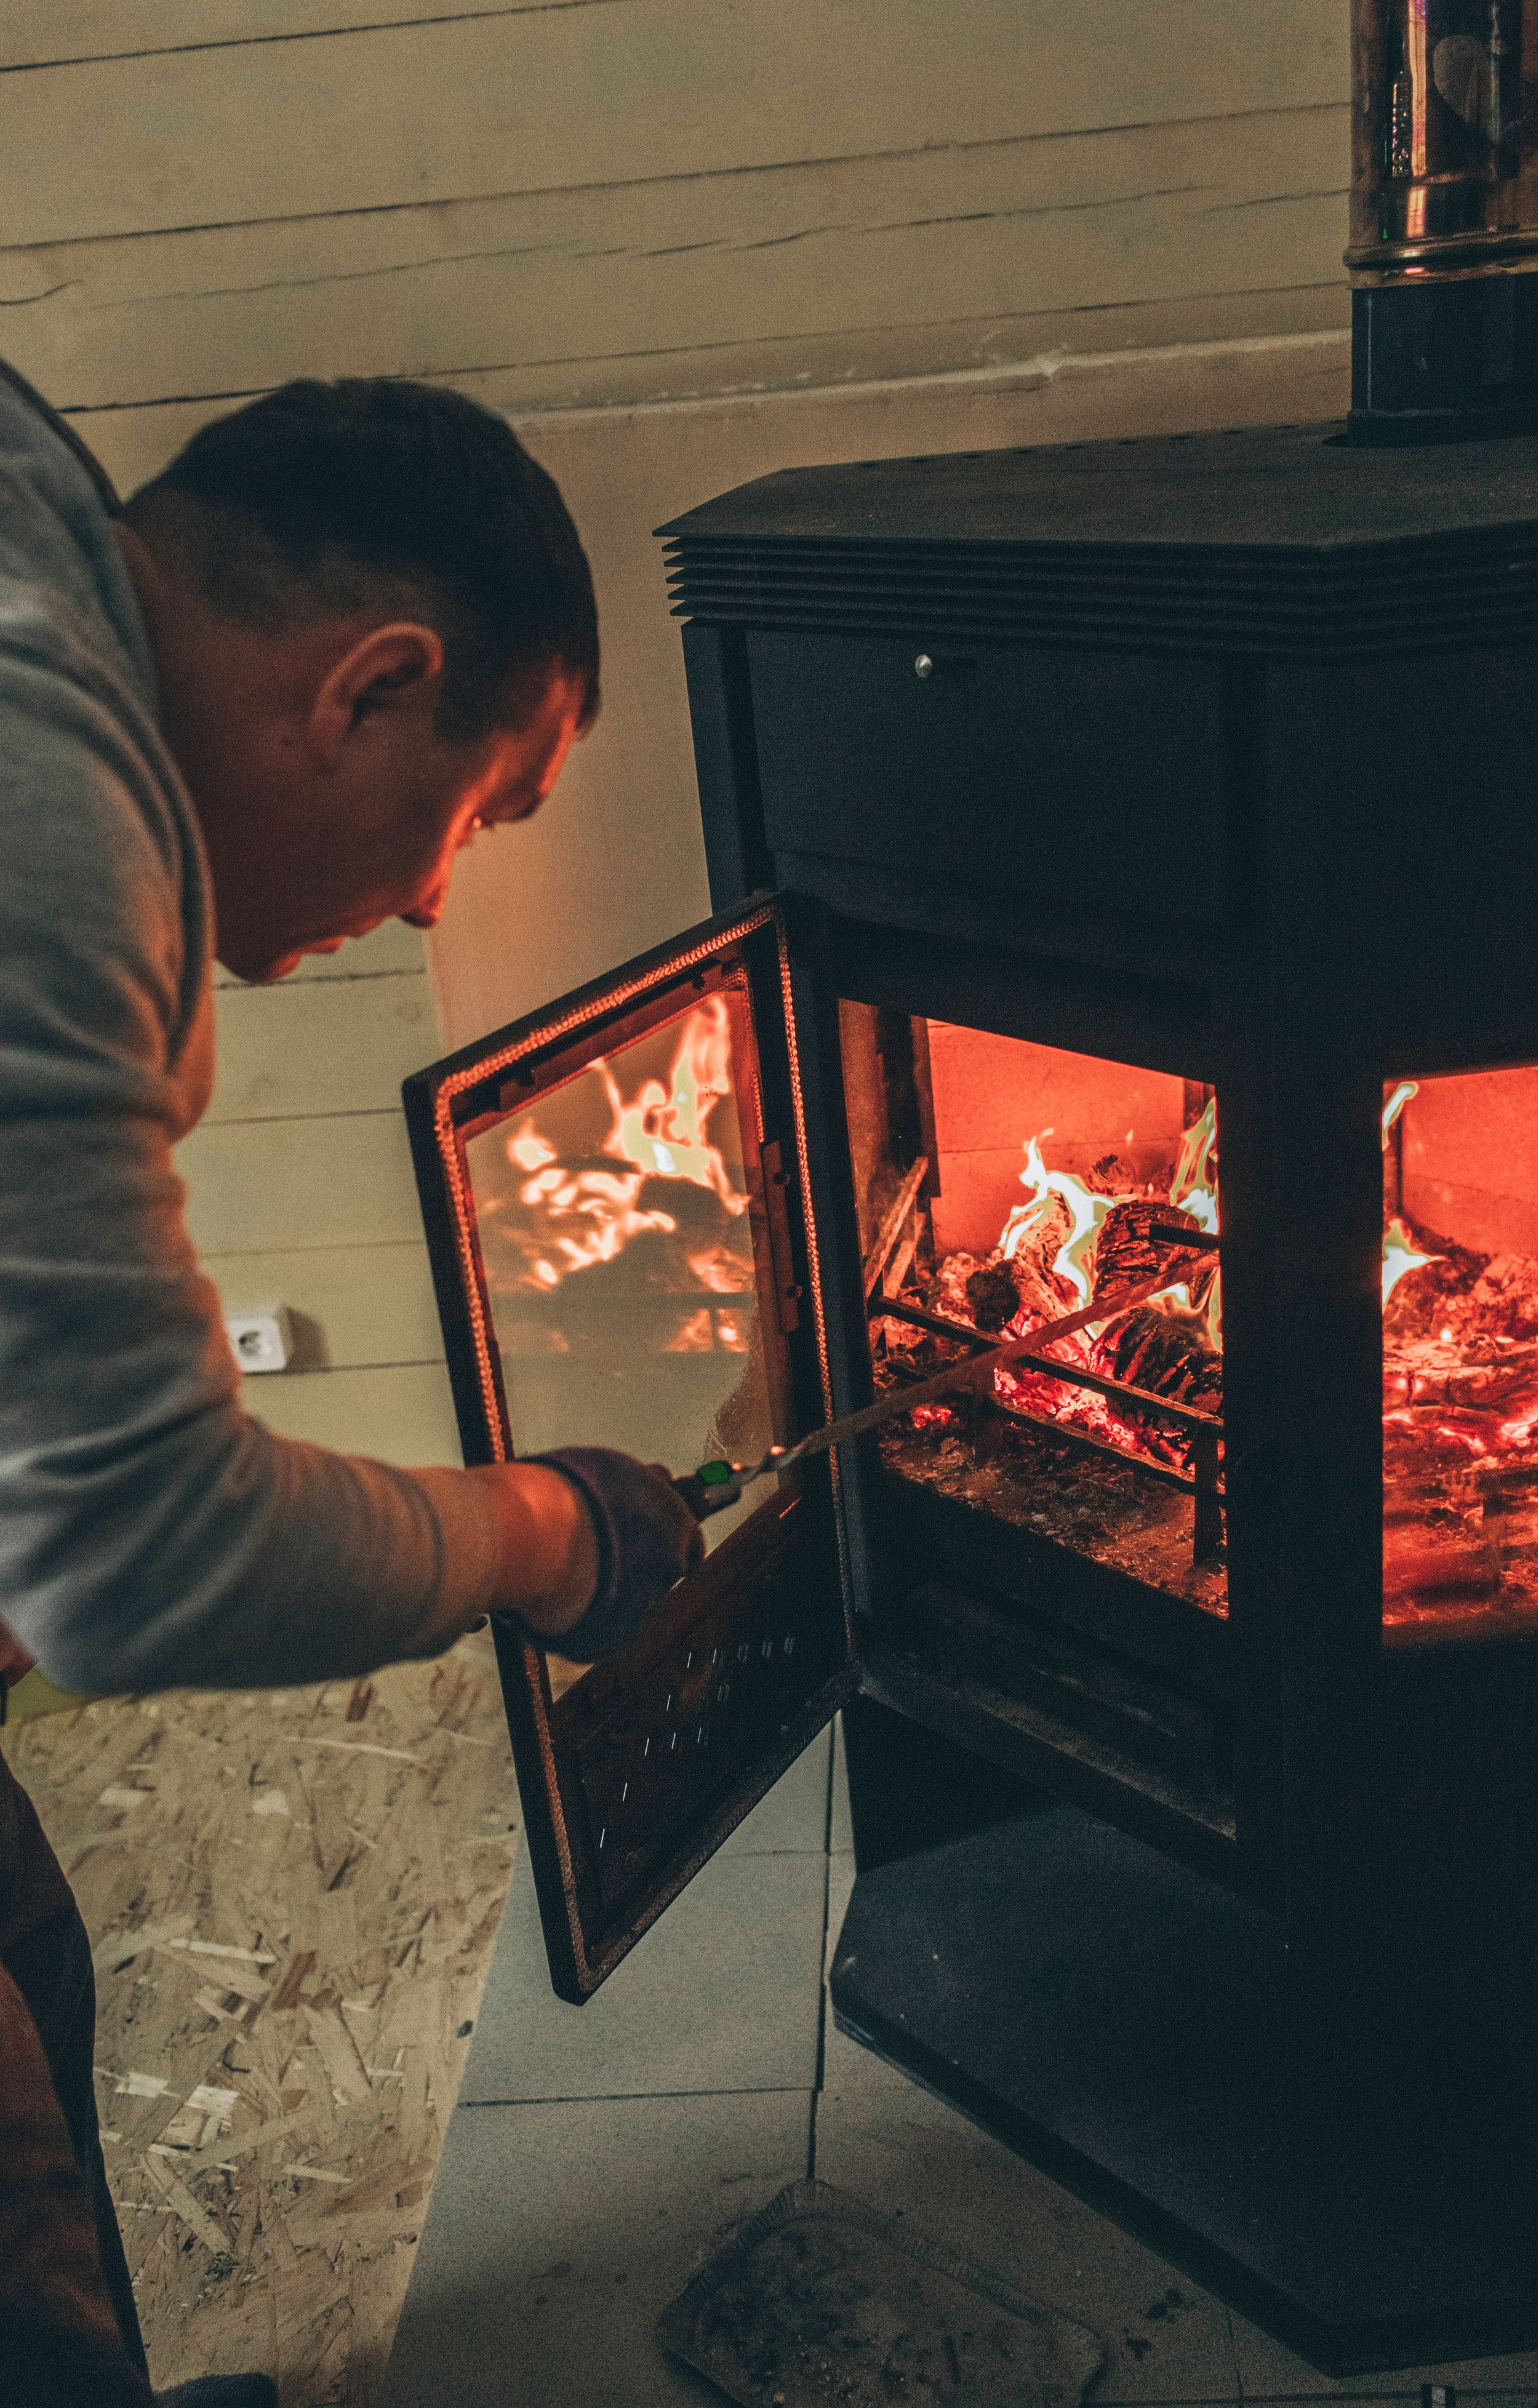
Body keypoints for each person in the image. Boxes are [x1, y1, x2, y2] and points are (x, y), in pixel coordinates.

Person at [0, 364, 702, 2405]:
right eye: (479, 813)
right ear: (373, 683)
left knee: (33, 1944)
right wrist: (544, 1531)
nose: (429, 895)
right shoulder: (49, 799)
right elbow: (135, 1564)